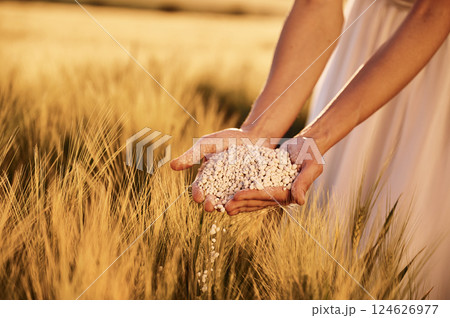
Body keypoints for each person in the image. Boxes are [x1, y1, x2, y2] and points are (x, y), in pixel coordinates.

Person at [171, 0, 450, 298]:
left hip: (434, 66)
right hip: (358, 53)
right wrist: (260, 130)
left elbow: (435, 11)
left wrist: (318, 135)